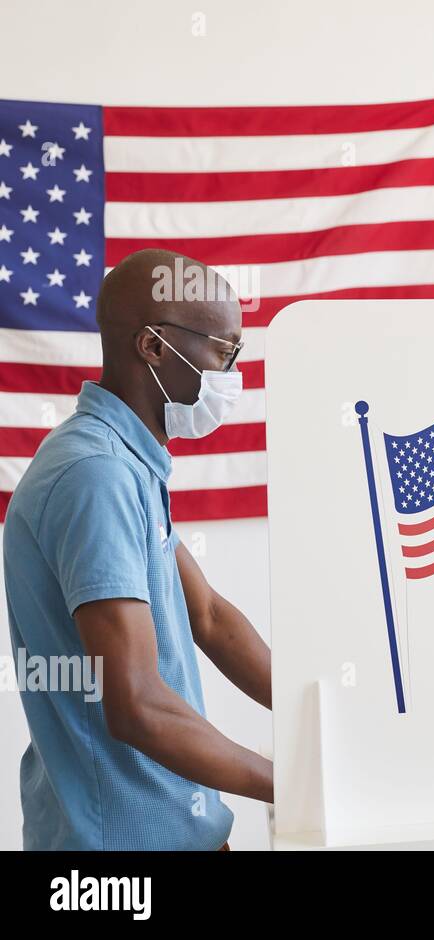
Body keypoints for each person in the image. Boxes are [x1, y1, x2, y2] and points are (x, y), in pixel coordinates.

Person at [3, 249, 273, 850]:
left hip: (175, 832)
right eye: (224, 352)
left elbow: (209, 616)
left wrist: (321, 715)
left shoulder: (125, 462)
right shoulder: (94, 474)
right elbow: (136, 705)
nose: (233, 374)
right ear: (152, 347)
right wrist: (294, 782)